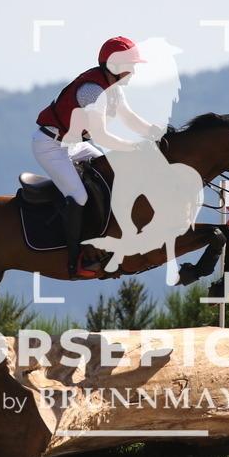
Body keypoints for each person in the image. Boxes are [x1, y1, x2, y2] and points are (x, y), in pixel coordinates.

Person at [33, 36, 164, 278]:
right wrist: (134, 148)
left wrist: (158, 132)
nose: (134, 71)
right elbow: (101, 137)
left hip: (74, 145)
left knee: (109, 176)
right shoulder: (92, 91)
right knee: (80, 196)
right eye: (131, 65)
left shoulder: (112, 89)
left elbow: (130, 118)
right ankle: (75, 259)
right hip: (51, 146)